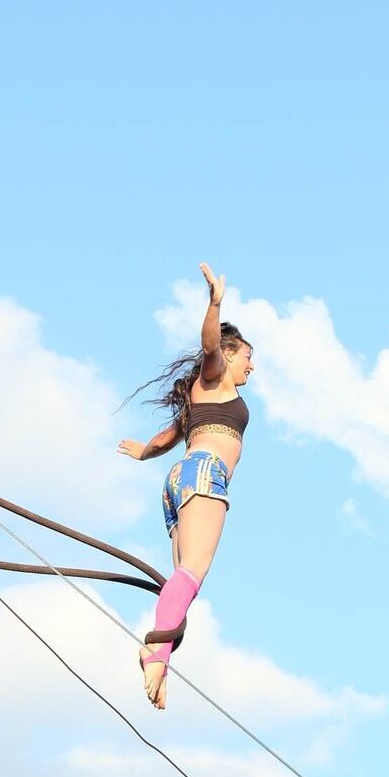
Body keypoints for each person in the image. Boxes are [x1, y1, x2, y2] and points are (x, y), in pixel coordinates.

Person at [117, 265, 253, 709]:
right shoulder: (214, 377)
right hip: (203, 472)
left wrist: (144, 452)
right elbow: (210, 344)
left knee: (182, 580)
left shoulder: (201, 398)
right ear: (230, 356)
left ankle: (162, 658)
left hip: (178, 477)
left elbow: (167, 438)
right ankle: (155, 650)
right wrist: (215, 304)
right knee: (193, 571)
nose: (252, 364)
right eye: (247, 356)